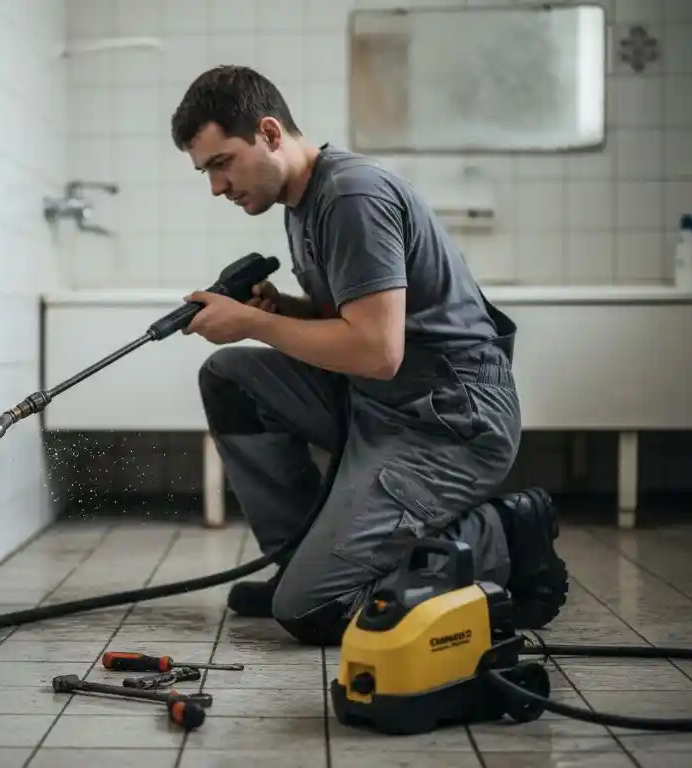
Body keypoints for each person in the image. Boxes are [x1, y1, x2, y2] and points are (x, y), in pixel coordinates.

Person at [169, 65, 567, 645]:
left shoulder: (351, 195)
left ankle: (503, 534)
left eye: (222, 163)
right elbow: (361, 321)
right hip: (381, 401)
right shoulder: (302, 202)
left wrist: (252, 322)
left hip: (447, 418)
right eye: (206, 172)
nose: (217, 187)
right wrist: (285, 310)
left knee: (311, 609)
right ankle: (302, 557)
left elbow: (378, 350)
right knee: (231, 376)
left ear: (271, 133)